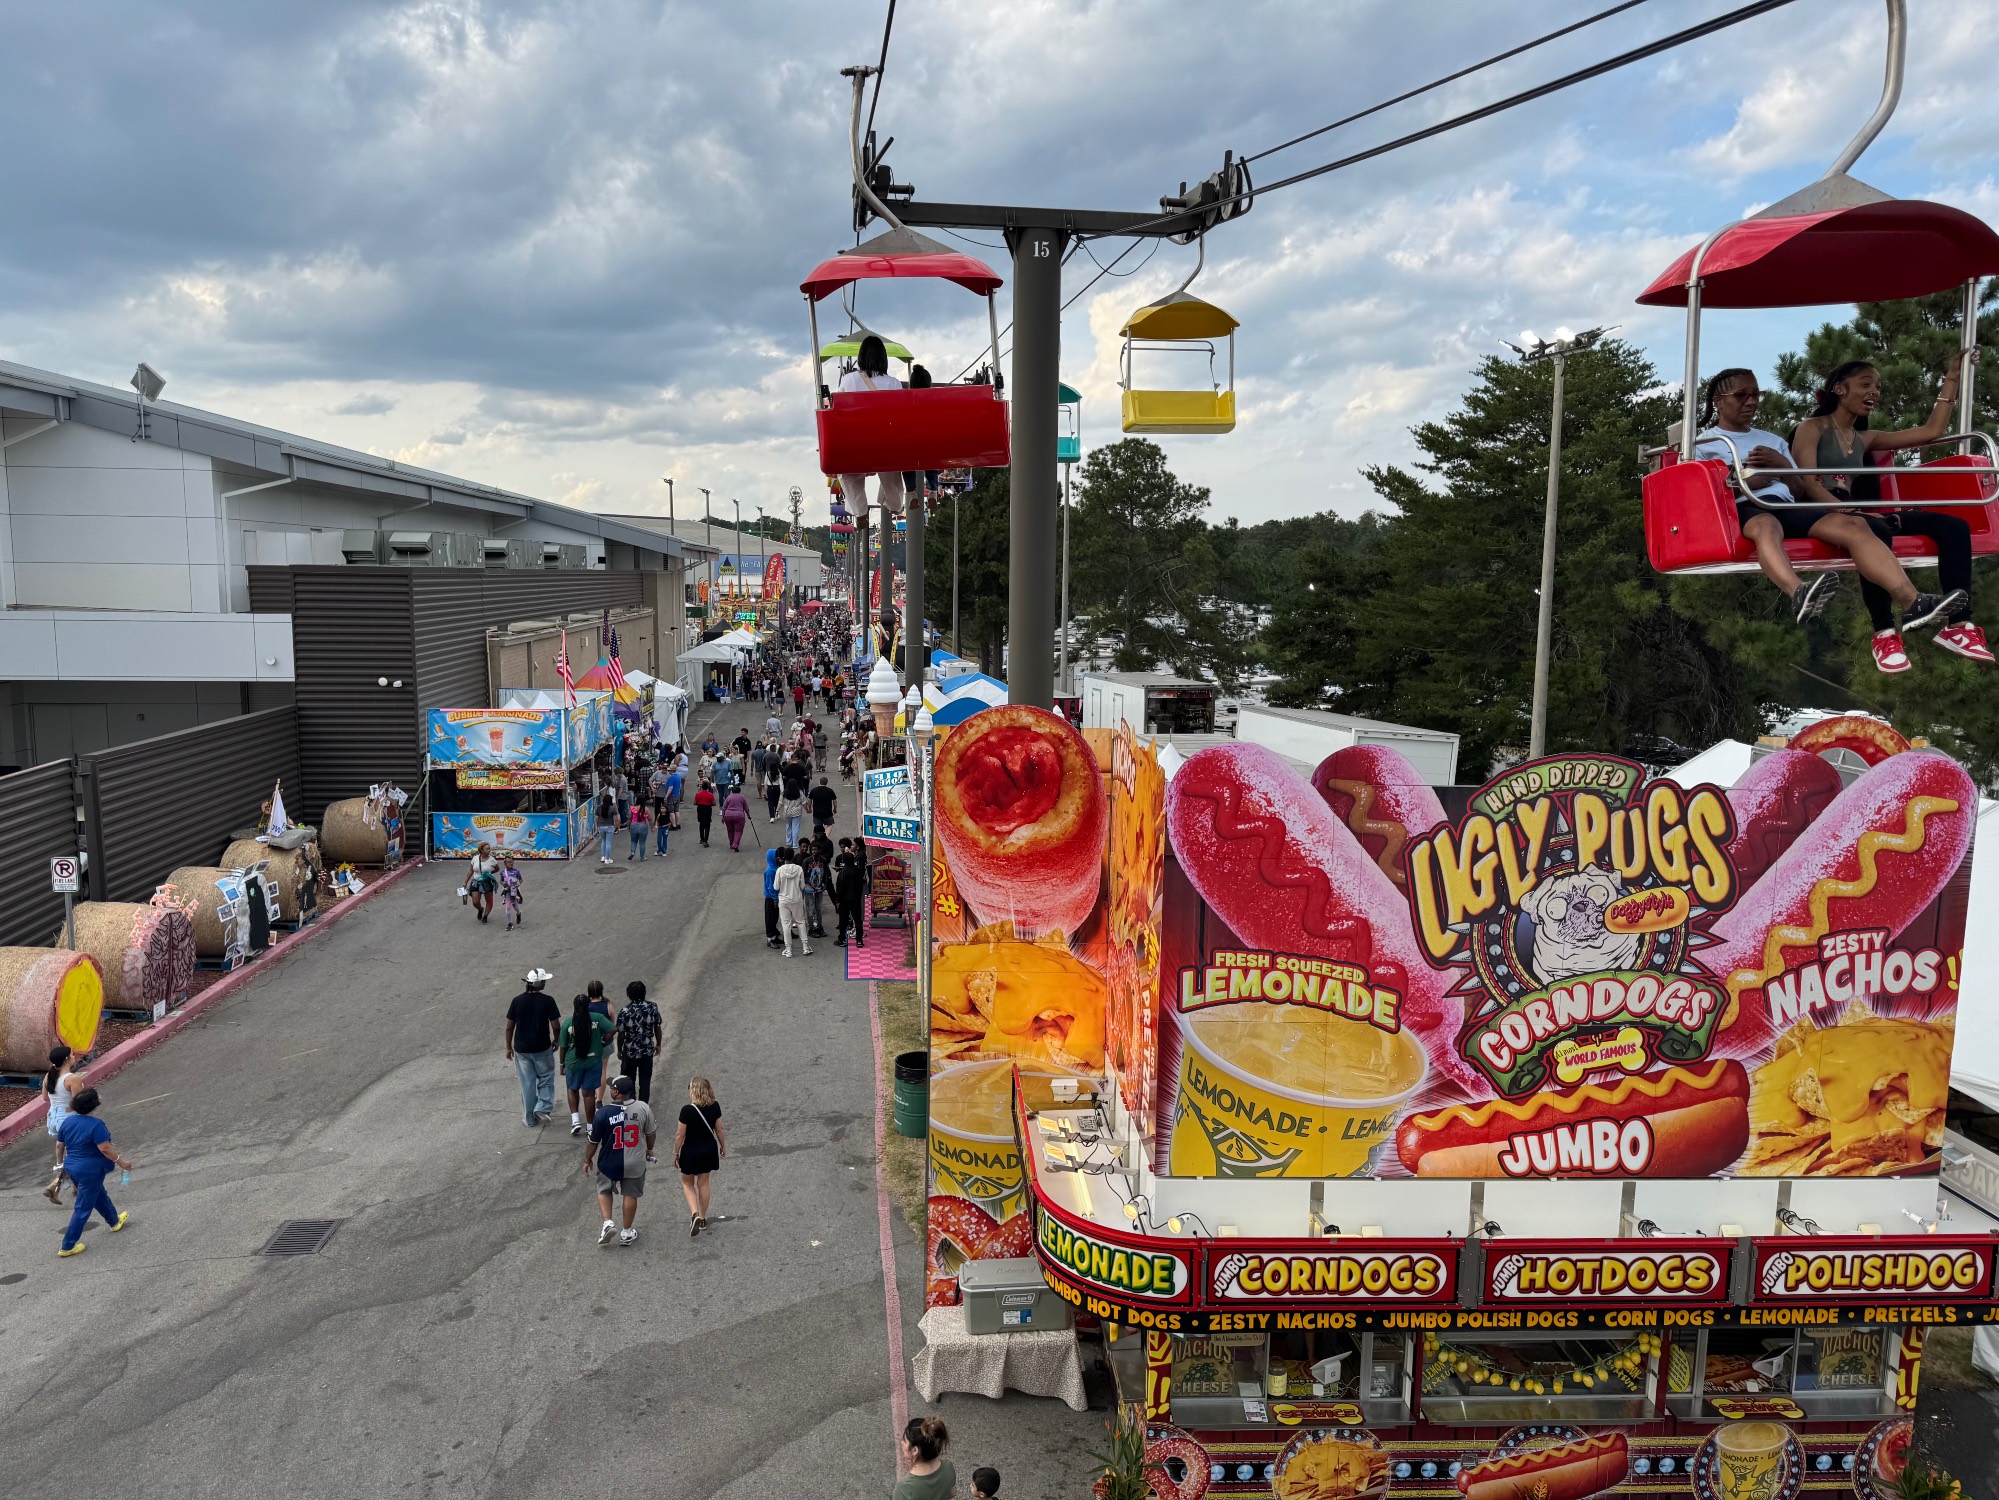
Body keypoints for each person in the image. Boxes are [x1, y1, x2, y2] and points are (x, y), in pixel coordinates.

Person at [1694, 368, 1961, 632]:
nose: (1751, 402)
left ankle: (1912, 601)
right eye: (1741, 395)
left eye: (1756, 395)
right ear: (1719, 401)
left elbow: (1799, 490)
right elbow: (1703, 496)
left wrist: (1783, 466)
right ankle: (1798, 591)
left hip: (1784, 505)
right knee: (1766, 525)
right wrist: (1744, 483)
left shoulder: (1772, 441)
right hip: (1743, 509)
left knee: (1856, 525)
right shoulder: (1703, 445)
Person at [1789, 357, 1990, 670]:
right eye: (1865, 384)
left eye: (1878, 387)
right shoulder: (1811, 428)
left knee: (1953, 527)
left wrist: (1951, 380)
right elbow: (1808, 482)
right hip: (1825, 511)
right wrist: (1851, 510)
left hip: (1858, 512)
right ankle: (1884, 634)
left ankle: (1959, 626)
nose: (1875, 392)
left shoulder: (1865, 438)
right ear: (1840, 389)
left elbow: (1931, 431)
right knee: (1874, 529)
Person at [837, 336, 908, 521]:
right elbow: (901, 415)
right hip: (885, 443)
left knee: (848, 474)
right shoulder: (894, 383)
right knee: (891, 473)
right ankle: (893, 504)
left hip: (856, 443)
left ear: (861, 357)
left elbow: (838, 411)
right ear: (883, 358)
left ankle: (860, 511)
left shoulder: (848, 379)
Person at [55, 1088, 133, 1257]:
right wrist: (122, 1163)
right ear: (94, 1105)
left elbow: (59, 1145)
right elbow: (105, 1148)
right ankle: (67, 1246)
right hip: (91, 1170)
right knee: (83, 1208)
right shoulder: (96, 1125)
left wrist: (60, 1164)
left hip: (72, 1167)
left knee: (98, 1194)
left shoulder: (67, 1122)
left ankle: (114, 1221)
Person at [582, 1075, 657, 1248]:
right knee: (630, 1194)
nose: (610, 1090)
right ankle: (627, 1232)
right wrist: (649, 1149)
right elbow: (651, 1133)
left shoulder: (603, 1112)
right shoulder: (643, 1108)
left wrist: (587, 1159)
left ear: (616, 1092)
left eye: (611, 1088)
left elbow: (593, 1141)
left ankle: (608, 1222)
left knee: (604, 1189)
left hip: (609, 1160)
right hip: (634, 1161)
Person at [504, 968, 561, 1126]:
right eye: (544, 980)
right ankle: (543, 1106)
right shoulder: (548, 1001)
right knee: (546, 1077)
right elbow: (556, 1025)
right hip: (542, 1048)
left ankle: (529, 1119)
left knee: (527, 1084)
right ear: (539, 983)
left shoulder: (517, 1001)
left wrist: (508, 1047)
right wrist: (556, 1040)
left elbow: (509, 1027)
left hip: (522, 1049)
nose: (545, 983)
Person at [558, 993, 616, 1137]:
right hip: (593, 1061)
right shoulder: (597, 1018)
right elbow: (613, 1029)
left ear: (574, 1007)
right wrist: (604, 1040)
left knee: (572, 1089)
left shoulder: (568, 1023)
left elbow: (563, 1046)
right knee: (589, 1094)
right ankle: (590, 1127)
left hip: (573, 1062)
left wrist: (561, 1064)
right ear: (588, 1006)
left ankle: (575, 1121)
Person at [675, 1076, 726, 1236]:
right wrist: (723, 1146)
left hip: (690, 1151)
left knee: (687, 1183)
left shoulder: (687, 1110)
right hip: (708, 1149)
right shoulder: (715, 1106)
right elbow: (719, 1129)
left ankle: (694, 1213)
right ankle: (703, 1218)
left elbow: (680, 1135)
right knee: (703, 1184)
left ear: (693, 1091)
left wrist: (675, 1153)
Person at [42, 1044, 84, 1204]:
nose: (74, 1057)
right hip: (69, 1118)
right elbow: (78, 1103)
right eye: (72, 1055)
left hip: (54, 1117)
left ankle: (72, 1185)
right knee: (76, 1152)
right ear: (67, 1059)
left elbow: (45, 1098)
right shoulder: (72, 1079)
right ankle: (57, 1184)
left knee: (69, 1150)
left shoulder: (48, 1076)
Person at [616, 980, 663, 1103]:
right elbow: (657, 1027)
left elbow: (621, 1033)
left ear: (629, 995)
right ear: (644, 993)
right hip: (646, 1051)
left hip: (630, 1052)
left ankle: (631, 1104)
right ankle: (643, 1106)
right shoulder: (652, 1007)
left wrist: (619, 1050)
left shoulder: (625, 1011)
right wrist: (658, 1044)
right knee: (645, 1081)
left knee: (628, 1080)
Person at [895, 1418, 954, 1500]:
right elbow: (952, 1494)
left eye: (904, 1441)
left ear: (914, 1450)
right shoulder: (948, 1467)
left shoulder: (904, 1487)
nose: (902, 1443)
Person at [775, 848, 810, 956]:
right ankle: (805, 947)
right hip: (796, 899)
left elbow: (776, 887)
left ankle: (788, 949)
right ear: (793, 856)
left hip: (784, 900)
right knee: (800, 922)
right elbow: (802, 886)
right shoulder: (799, 869)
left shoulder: (780, 870)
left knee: (786, 924)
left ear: (784, 857)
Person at [834, 839, 866, 948]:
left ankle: (842, 939)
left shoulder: (842, 873)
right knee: (857, 920)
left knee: (843, 920)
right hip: (855, 899)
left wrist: (838, 900)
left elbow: (839, 888)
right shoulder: (857, 872)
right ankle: (859, 940)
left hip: (844, 900)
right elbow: (860, 885)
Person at [466, 842, 500, 923]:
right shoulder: (475, 858)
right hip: (476, 882)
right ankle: (480, 909)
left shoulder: (492, 859)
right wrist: (465, 882)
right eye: (487, 849)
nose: (489, 850)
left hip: (487, 882)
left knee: (489, 900)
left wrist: (489, 874)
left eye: (489, 849)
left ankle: (485, 916)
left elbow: (497, 869)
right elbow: (471, 870)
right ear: (481, 850)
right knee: (475, 902)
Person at [804, 851, 828, 939]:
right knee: (810, 908)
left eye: (816, 849)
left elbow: (826, 873)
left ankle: (819, 927)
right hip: (809, 889)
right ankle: (811, 928)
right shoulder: (807, 861)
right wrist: (810, 883)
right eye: (813, 849)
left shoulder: (823, 860)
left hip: (819, 888)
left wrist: (825, 883)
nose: (814, 851)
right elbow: (803, 875)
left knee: (818, 908)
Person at [498, 854, 525, 930]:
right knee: (508, 907)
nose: (511, 864)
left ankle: (518, 913)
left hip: (514, 891)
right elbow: (501, 880)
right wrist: (503, 883)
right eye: (509, 862)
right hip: (507, 891)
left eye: (512, 862)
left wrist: (518, 883)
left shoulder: (516, 871)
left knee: (516, 906)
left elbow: (520, 879)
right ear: (505, 863)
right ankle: (510, 923)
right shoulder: (503, 872)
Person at [721, 784, 751, 852]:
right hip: (739, 815)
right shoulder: (742, 797)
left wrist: (723, 816)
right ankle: (735, 844)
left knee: (730, 830)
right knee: (738, 831)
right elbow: (746, 808)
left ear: (732, 791)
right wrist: (748, 815)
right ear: (739, 791)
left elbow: (724, 808)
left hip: (728, 815)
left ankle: (731, 844)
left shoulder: (729, 797)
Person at [763, 745, 784, 823]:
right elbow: (781, 782)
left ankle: (771, 817)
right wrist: (782, 791)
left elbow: (765, 783)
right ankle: (776, 813)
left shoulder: (768, 773)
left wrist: (765, 791)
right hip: (777, 787)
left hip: (770, 787)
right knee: (776, 801)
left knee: (770, 802)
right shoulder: (778, 773)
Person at [597, 790, 617, 864]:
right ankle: (607, 858)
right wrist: (616, 826)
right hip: (610, 826)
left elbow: (596, 818)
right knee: (608, 843)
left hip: (601, 826)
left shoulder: (599, 808)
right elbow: (616, 819)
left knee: (603, 841)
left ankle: (603, 856)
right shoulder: (612, 808)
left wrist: (597, 825)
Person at [695, 779, 717, 847]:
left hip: (700, 808)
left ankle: (701, 838)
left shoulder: (698, 794)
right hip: (707, 808)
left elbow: (695, 802)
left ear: (702, 787)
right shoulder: (710, 795)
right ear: (708, 787)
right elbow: (714, 803)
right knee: (707, 824)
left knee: (701, 824)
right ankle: (706, 840)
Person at [664, 760, 685, 832]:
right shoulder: (678, 776)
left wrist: (666, 796)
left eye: (669, 770)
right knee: (676, 810)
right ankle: (678, 823)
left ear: (672, 771)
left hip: (672, 795)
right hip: (677, 794)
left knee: (671, 811)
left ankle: (673, 825)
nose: (668, 771)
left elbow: (670, 787)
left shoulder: (671, 778)